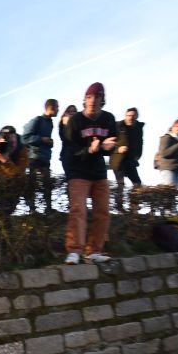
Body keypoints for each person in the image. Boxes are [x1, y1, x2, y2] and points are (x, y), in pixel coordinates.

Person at [62, 82, 117, 265]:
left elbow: (110, 147)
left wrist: (107, 148)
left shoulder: (108, 119)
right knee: (78, 210)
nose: (93, 101)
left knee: (103, 211)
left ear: (103, 100)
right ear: (85, 100)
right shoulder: (76, 120)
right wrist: (92, 149)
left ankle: (94, 251)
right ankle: (74, 251)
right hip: (78, 171)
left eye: (97, 97)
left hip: (99, 172)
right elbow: (71, 149)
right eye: (89, 97)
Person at [21, 99, 58, 213]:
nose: (58, 110)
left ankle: (48, 209)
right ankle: (32, 210)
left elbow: (45, 141)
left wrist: (50, 143)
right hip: (33, 157)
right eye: (57, 107)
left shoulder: (50, 123)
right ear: (51, 107)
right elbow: (24, 138)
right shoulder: (37, 120)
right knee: (32, 183)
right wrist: (41, 139)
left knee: (47, 183)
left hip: (45, 158)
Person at [110, 107, 144, 212]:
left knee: (137, 183)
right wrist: (118, 148)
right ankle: (119, 207)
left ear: (137, 116)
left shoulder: (138, 128)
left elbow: (140, 142)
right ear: (125, 116)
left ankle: (133, 206)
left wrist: (138, 154)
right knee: (121, 183)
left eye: (133, 116)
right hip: (118, 159)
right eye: (129, 116)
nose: (131, 118)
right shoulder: (118, 125)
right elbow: (109, 141)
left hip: (131, 160)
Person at [156, 119, 178, 187]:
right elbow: (164, 153)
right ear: (172, 128)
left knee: (173, 192)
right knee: (169, 191)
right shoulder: (166, 138)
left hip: (177, 169)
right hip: (167, 168)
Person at [58, 104, 78, 177]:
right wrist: (67, 124)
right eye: (70, 111)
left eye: (74, 111)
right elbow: (65, 138)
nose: (72, 113)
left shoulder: (80, 123)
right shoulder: (63, 124)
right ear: (66, 113)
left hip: (79, 156)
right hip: (68, 156)